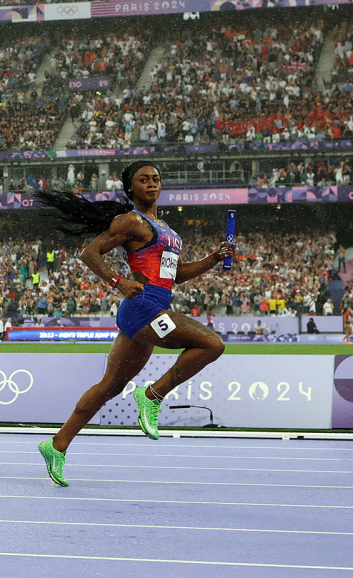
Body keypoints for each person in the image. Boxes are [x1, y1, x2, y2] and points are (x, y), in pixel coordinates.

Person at [32, 161, 237, 487]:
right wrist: (117, 281)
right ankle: (153, 396)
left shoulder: (167, 230)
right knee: (212, 344)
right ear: (131, 189)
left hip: (154, 309)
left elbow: (177, 275)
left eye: (156, 179)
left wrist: (213, 259)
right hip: (143, 310)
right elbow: (89, 252)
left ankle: (56, 445)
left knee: (109, 386)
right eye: (144, 180)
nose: (152, 184)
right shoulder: (131, 221)